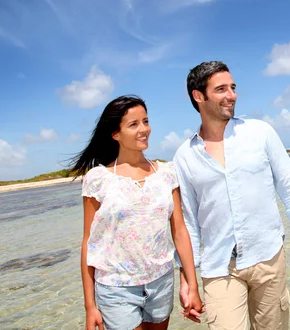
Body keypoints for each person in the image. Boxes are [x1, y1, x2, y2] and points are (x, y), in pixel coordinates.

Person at [173, 61, 290, 330]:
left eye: (233, 87)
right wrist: (187, 281)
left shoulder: (260, 133)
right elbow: (188, 224)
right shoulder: (184, 156)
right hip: (220, 268)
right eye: (221, 89)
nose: (232, 95)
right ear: (198, 96)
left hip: (268, 258)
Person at [71, 95, 204, 330]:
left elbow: (180, 231)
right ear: (115, 134)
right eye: (133, 124)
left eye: (146, 121)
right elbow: (88, 243)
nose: (144, 130)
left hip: (160, 282)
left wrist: (192, 284)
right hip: (115, 287)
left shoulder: (166, 173)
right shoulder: (98, 179)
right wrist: (90, 306)